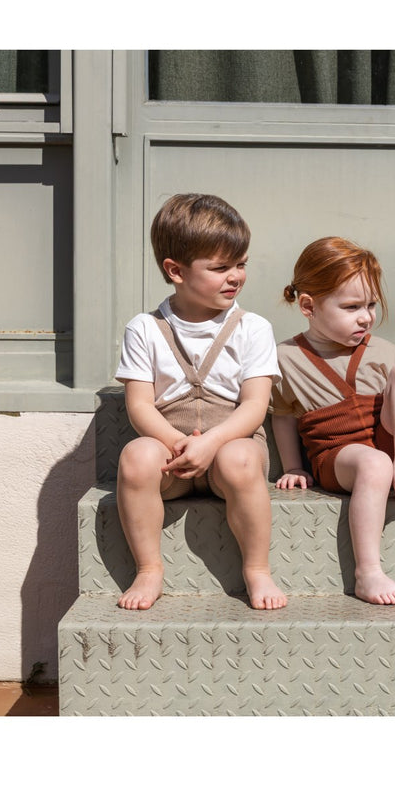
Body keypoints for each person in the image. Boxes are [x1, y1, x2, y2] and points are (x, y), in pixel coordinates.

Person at [113, 193, 286, 611]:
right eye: (221, 268)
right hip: (171, 454)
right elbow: (140, 406)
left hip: (230, 448)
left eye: (241, 264)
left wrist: (209, 444)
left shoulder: (253, 328)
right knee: (135, 457)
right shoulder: (144, 329)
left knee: (240, 459)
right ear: (175, 271)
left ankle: (257, 568)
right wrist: (179, 444)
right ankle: (148, 568)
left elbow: (255, 406)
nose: (235, 277)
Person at [271, 236, 395, 605]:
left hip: (389, 444)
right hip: (339, 456)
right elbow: (284, 416)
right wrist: (292, 467)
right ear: (308, 306)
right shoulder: (285, 357)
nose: (366, 317)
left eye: (370, 304)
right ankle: (367, 572)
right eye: (351, 307)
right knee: (374, 462)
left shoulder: (384, 351)